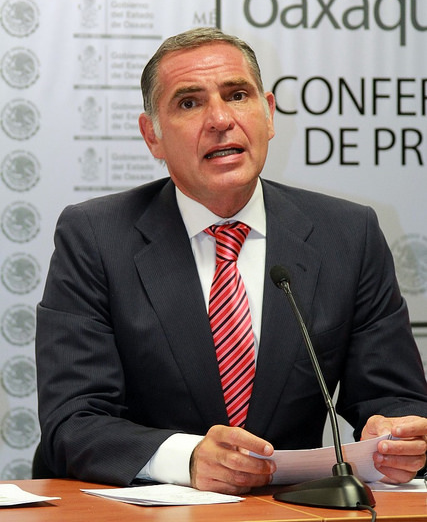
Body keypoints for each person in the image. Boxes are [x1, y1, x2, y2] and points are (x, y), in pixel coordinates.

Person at [36, 27, 427, 495]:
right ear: (152, 136)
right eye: (189, 103)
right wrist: (188, 457)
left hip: (292, 512)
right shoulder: (96, 237)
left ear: (269, 114)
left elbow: (395, 396)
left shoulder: (347, 235)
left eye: (237, 95)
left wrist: (396, 434)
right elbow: (73, 421)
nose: (221, 119)